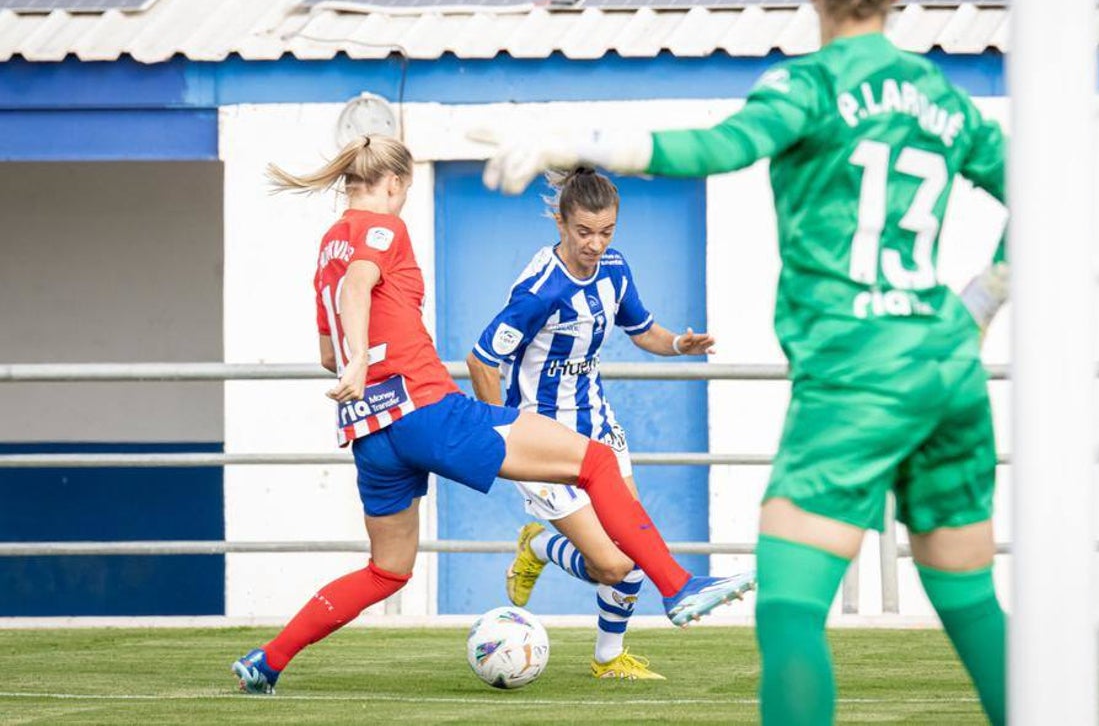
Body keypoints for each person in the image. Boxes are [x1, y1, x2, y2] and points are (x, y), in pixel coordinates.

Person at [471, 0, 1010, 723]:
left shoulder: (807, 88)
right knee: (971, 600)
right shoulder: (941, 98)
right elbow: (1043, 192)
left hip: (856, 372)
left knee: (791, 610)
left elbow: (716, 146)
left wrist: (583, 143)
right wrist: (979, 303)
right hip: (946, 364)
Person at [229, 135, 755, 695]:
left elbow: (326, 354)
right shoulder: (384, 227)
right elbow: (360, 293)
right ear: (396, 183)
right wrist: (364, 360)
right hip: (426, 411)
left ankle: (269, 660)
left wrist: (356, 365)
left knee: (388, 569)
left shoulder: (327, 246)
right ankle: (676, 585)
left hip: (370, 431)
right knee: (596, 462)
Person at [466, 166, 715, 681]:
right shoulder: (540, 290)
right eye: (584, 232)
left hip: (598, 426)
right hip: (541, 438)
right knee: (612, 565)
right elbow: (480, 360)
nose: (595, 245)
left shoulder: (615, 269)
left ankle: (609, 658)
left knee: (635, 547)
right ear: (560, 222)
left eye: (606, 232)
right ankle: (539, 544)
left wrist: (676, 345)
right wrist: (504, 436)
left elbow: (641, 330)